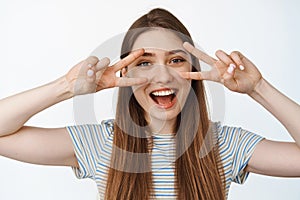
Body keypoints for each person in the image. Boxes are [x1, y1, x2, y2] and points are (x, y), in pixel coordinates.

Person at [0, 8, 299, 200]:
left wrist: (258, 88)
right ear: (124, 74)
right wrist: (66, 87)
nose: (163, 75)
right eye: (145, 62)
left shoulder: (223, 144)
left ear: (194, 73)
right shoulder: (100, 143)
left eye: (176, 60)